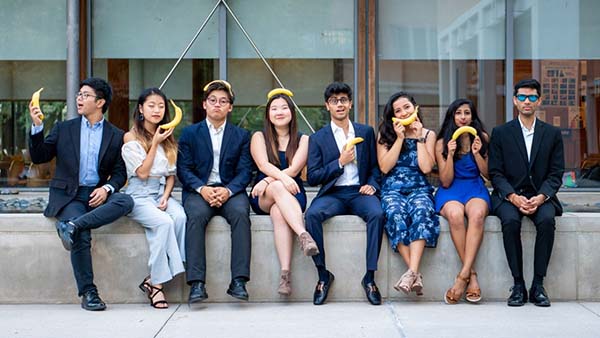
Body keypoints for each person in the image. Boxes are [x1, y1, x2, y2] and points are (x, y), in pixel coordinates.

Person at [28, 77, 134, 311]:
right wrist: (36, 127)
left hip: (98, 195)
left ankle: (72, 225)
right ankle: (89, 293)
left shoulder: (116, 135)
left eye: (85, 95)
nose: (79, 98)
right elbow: (39, 156)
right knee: (82, 236)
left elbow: (119, 174)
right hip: (70, 196)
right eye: (79, 94)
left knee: (126, 201)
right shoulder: (65, 128)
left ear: (100, 102)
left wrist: (107, 189)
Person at [304, 82, 385, 306]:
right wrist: (339, 162)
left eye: (343, 100)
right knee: (311, 215)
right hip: (334, 194)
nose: (339, 104)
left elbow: (376, 168)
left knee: (377, 214)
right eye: (333, 101)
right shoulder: (318, 138)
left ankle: (369, 278)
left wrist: (372, 185)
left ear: (350, 104)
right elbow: (313, 176)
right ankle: (323, 276)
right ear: (327, 106)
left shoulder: (366, 132)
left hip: (360, 192)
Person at [489, 78, 564, 307]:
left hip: (541, 195)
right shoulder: (501, 132)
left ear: (539, 101)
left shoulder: (552, 133)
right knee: (510, 221)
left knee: (547, 220)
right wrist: (512, 197)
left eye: (532, 97)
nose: (527, 101)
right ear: (515, 101)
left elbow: (556, 173)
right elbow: (496, 173)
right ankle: (518, 284)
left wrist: (541, 197)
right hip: (510, 196)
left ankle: (538, 285)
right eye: (522, 97)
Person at [177, 80, 253, 304]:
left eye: (223, 101)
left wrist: (228, 191)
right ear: (204, 105)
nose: (217, 105)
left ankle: (239, 281)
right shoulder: (190, 133)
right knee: (196, 217)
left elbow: (245, 171)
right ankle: (197, 284)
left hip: (231, 190)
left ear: (230, 107)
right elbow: (184, 169)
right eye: (213, 101)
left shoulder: (241, 135)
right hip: (199, 190)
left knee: (241, 215)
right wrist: (202, 189)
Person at [249, 88, 318, 296]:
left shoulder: (303, 139)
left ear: (292, 112)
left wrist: (273, 179)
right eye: (274, 108)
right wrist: (272, 181)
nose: (279, 112)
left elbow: (295, 169)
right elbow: (262, 164)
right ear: (268, 114)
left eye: (284, 108)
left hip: (292, 192)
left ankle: (285, 275)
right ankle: (303, 234)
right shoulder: (259, 137)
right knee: (278, 187)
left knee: (279, 212)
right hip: (263, 195)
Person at [122, 88, 186, 309]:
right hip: (138, 194)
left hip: (160, 192)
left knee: (179, 216)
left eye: (161, 106)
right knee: (164, 223)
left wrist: (166, 198)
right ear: (141, 109)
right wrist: (155, 143)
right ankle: (157, 285)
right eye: (151, 105)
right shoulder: (131, 137)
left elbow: (170, 176)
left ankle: (152, 279)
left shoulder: (168, 137)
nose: (157, 110)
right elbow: (141, 173)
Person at [377, 91, 439, 297]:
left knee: (421, 212)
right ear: (392, 115)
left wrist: (419, 137)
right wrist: (400, 139)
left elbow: (426, 168)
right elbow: (385, 168)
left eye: (407, 108)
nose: (403, 113)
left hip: (419, 188)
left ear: (415, 108)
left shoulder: (428, 134)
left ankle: (411, 273)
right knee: (394, 214)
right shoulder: (384, 135)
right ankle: (415, 273)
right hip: (392, 189)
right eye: (398, 110)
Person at [434, 98, 490, 304]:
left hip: (475, 186)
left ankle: (462, 277)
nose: (463, 117)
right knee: (456, 215)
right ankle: (472, 276)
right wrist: (449, 154)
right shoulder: (441, 142)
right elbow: (446, 181)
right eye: (458, 113)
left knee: (476, 215)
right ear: (452, 117)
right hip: (452, 189)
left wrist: (477, 154)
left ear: (472, 116)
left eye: (467, 113)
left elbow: (488, 175)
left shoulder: (482, 137)